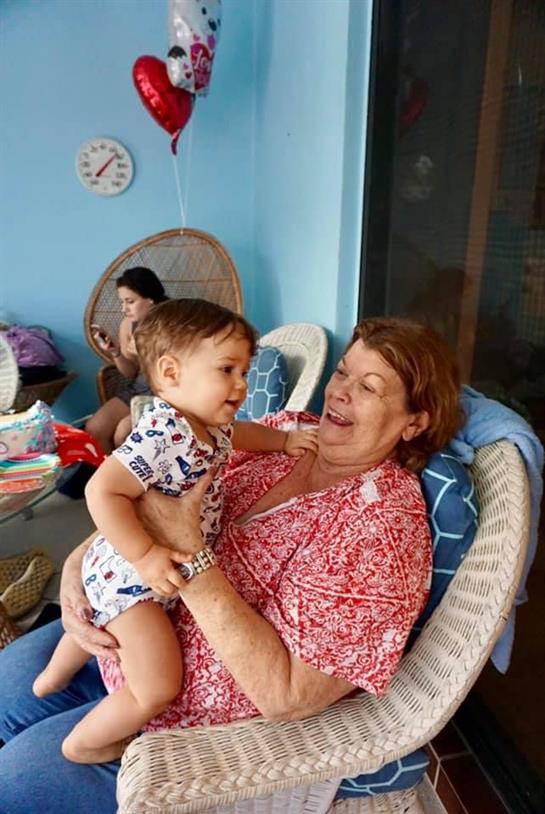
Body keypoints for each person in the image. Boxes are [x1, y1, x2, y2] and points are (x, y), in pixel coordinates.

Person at [0, 317, 462, 814]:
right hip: (129, 614)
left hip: (181, 724)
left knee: (11, 784)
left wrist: (191, 554)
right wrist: (78, 568)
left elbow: (288, 695)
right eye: (343, 371)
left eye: (368, 387)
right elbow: (149, 492)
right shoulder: (288, 430)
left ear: (414, 422)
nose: (339, 392)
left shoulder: (382, 530)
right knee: (5, 693)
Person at [32, 299, 317, 764]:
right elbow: (102, 490)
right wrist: (144, 556)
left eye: (245, 372)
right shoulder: (164, 433)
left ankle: (54, 678)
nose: (241, 384)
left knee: (98, 622)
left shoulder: (207, 425)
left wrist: (284, 441)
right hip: (131, 580)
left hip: (131, 572)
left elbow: (243, 434)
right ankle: (84, 744)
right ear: (170, 373)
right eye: (226, 369)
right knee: (158, 686)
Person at [85, 267, 168, 454]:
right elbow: (130, 373)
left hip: (166, 392)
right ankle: (109, 472)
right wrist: (116, 353)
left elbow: (183, 366)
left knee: (123, 432)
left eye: (130, 301)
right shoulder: (128, 325)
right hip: (138, 388)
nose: (124, 309)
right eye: (122, 302)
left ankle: (133, 472)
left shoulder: (172, 321)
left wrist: (147, 352)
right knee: (94, 429)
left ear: (150, 298)